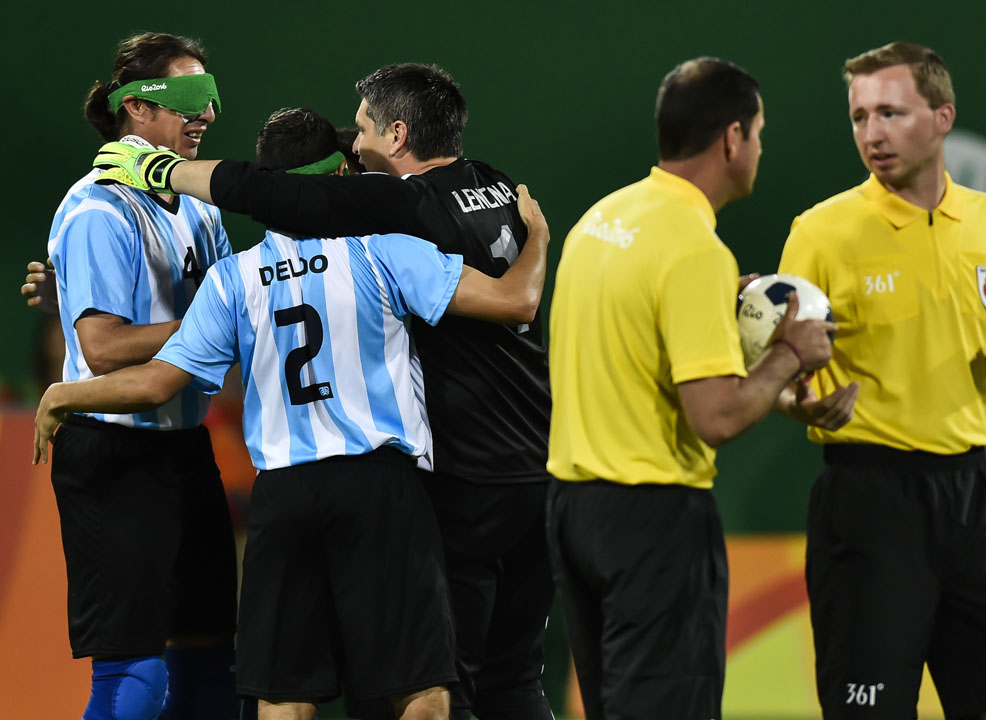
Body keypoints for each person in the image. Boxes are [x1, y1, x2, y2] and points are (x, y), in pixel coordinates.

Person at [36, 105, 551, 720]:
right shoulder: (384, 251)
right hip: (379, 488)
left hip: (282, 499)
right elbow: (513, 299)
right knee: (420, 692)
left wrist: (63, 394)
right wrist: (538, 238)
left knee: (283, 700)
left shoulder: (234, 278)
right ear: (337, 180)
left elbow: (154, 384)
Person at [544, 57, 836, 720]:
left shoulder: (602, 220)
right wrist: (790, 353)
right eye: (759, 133)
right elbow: (717, 417)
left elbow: (632, 347)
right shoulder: (695, 247)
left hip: (573, 514)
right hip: (651, 524)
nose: (760, 148)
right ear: (732, 138)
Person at [777, 41, 986, 719]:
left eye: (891, 113)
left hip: (975, 495)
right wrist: (801, 405)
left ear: (942, 117)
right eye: (860, 116)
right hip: (870, 501)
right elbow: (775, 378)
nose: (872, 134)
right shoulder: (819, 232)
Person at [43, 32, 237, 720]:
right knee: (137, 679)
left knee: (213, 664)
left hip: (185, 448)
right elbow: (102, 346)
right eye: (189, 98)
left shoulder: (201, 206)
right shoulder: (100, 208)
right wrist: (225, 319)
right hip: (115, 452)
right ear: (137, 109)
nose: (206, 114)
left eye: (210, 98)